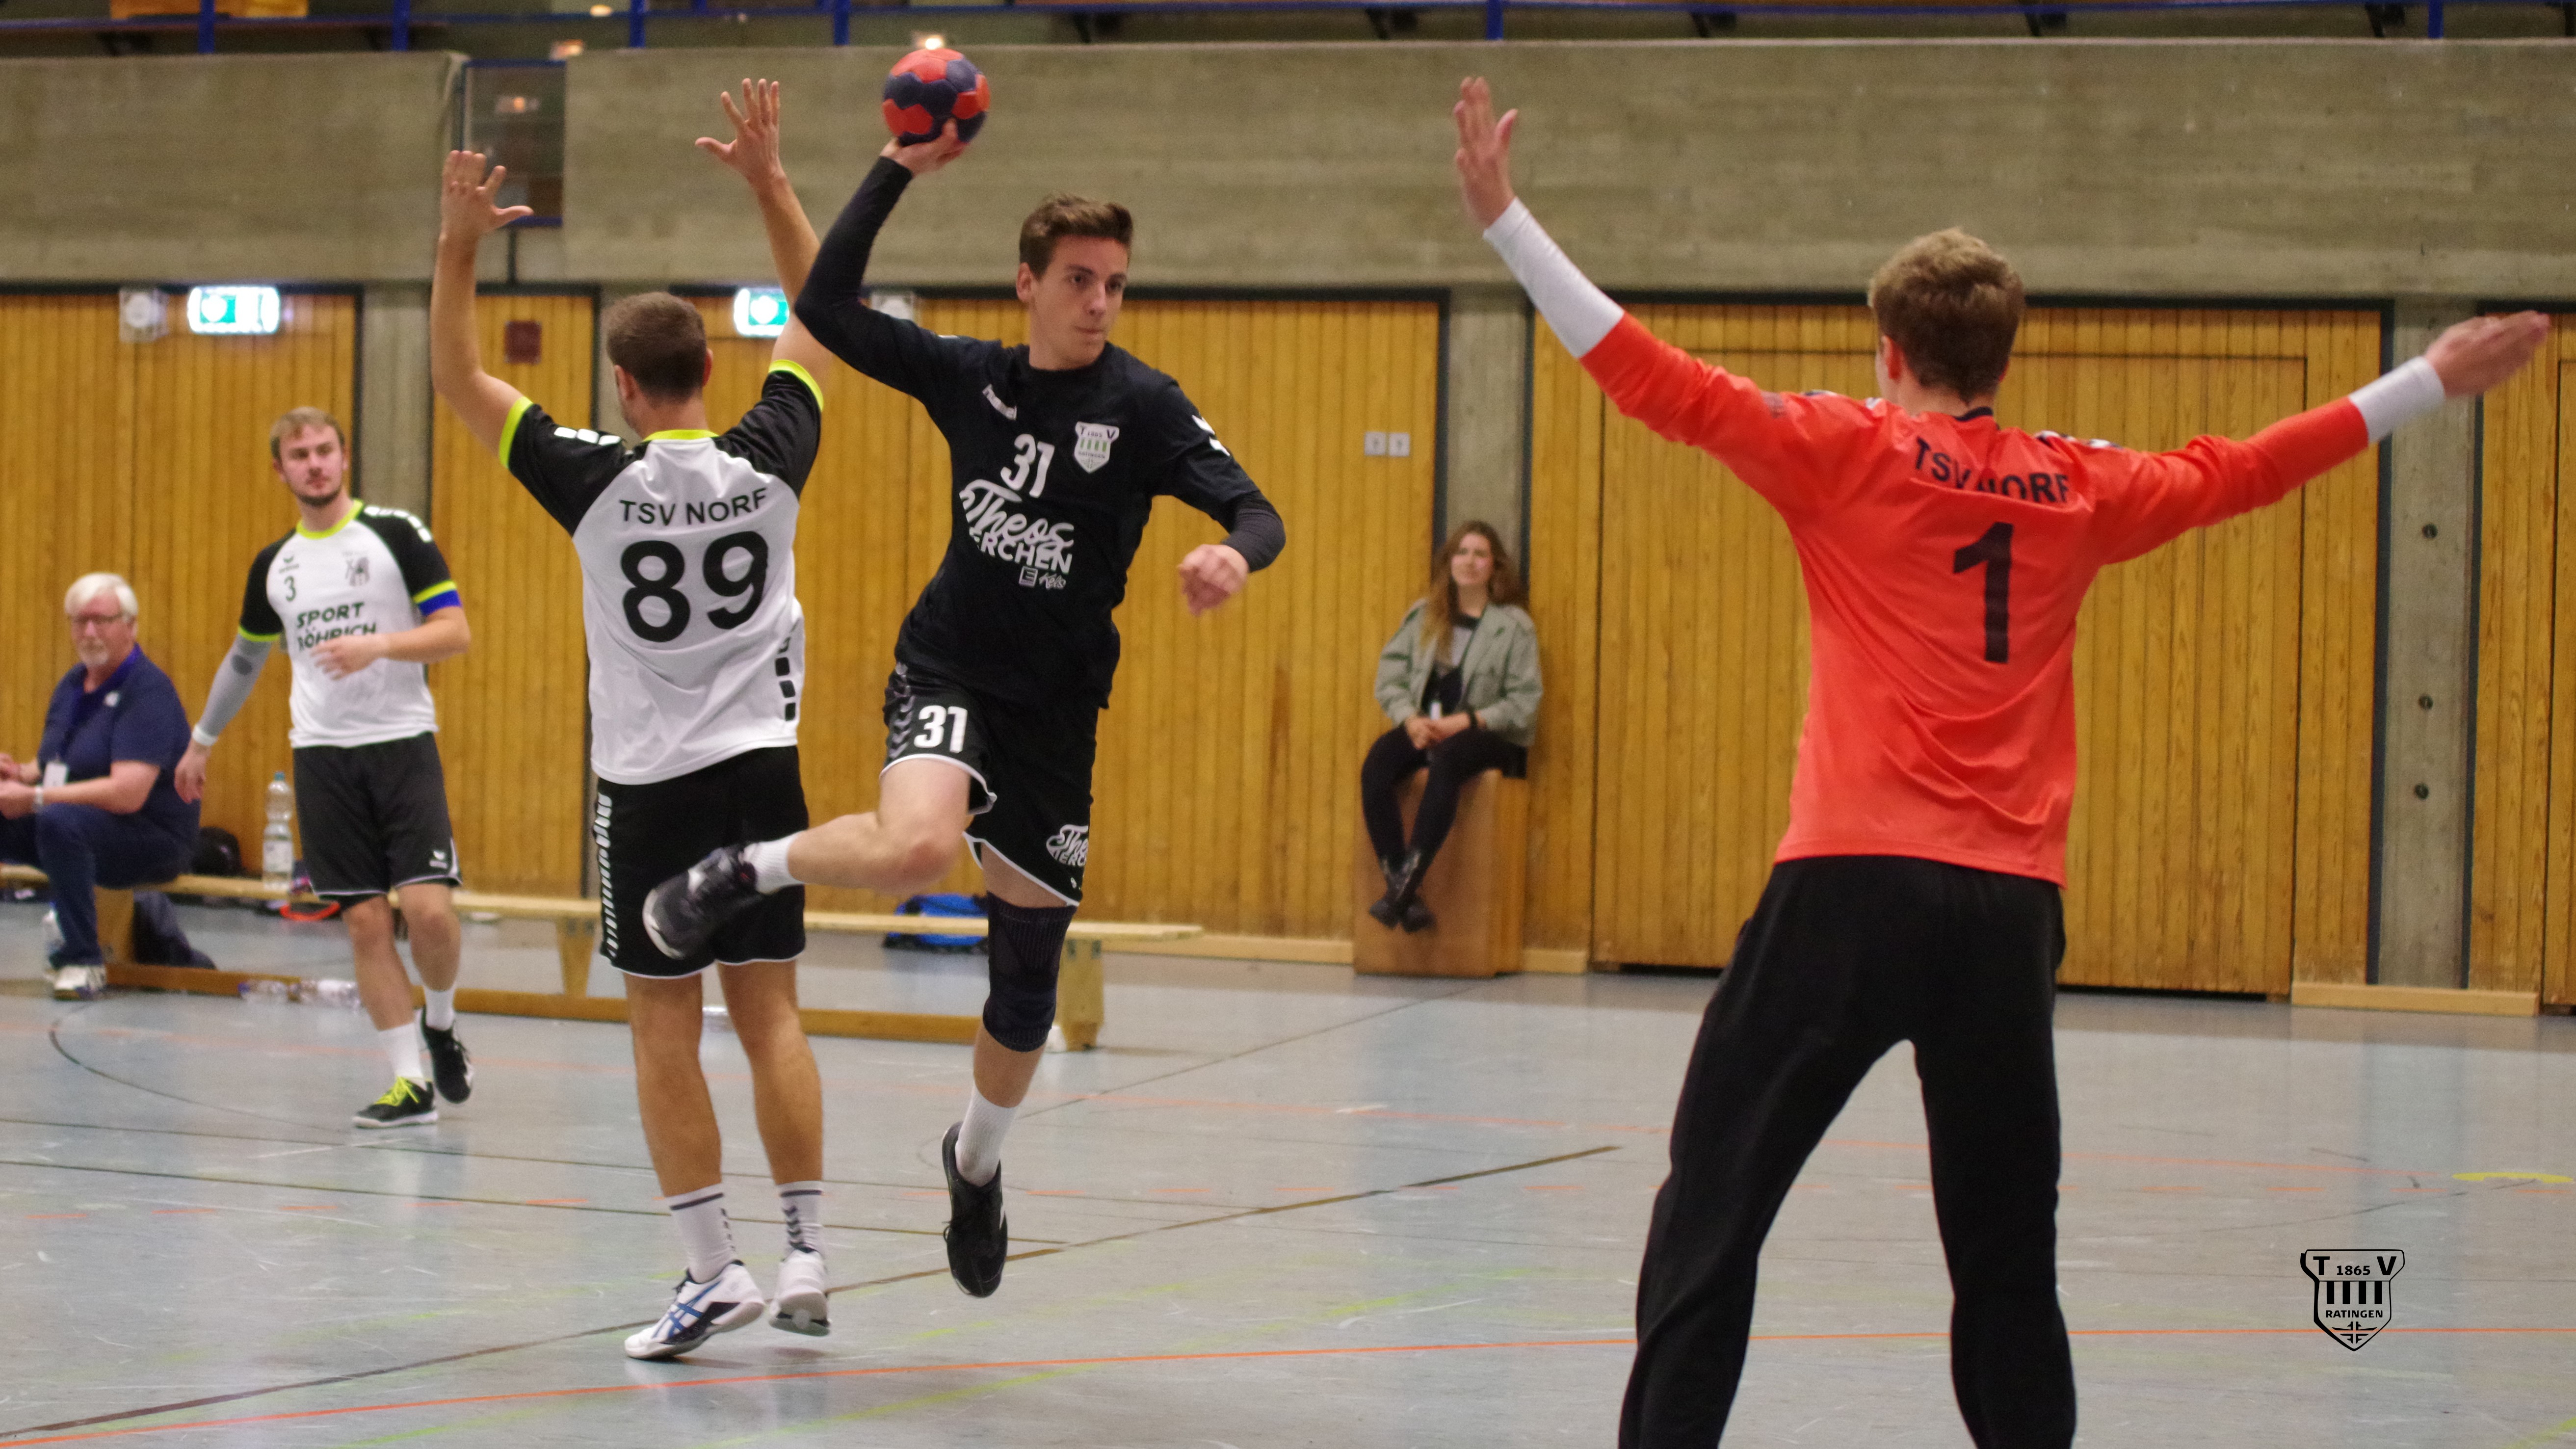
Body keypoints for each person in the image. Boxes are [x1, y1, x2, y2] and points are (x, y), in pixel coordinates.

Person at [1449, 77, 2548, 1449]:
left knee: (1713, 1207)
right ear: (2000, 361)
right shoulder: (2078, 483)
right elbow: (2249, 467)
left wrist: (1506, 222)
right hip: (2006, 912)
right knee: (2006, 1254)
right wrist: (2428, 378)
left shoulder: (1847, 449)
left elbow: (1646, 372)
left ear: (1888, 350)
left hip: (1849, 886)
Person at [642, 122, 1287, 1302]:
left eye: (1115, 283)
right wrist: (896, 168)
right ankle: (744, 867)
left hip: (1057, 716)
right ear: (1028, 283)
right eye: (1079, 280)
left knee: (1025, 989)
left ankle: (975, 1165)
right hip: (946, 669)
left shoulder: (1144, 405)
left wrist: (1233, 557)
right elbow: (827, 305)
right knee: (919, 846)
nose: (1100, 303)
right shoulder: (969, 375)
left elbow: (1258, 511)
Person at [427, 80, 838, 1360]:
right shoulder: (773, 453)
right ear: (712, 371)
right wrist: (770, 182)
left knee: (664, 1025)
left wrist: (458, 244)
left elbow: (457, 376)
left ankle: (713, 1272)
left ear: (620, 384)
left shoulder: (590, 478)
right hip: (763, 776)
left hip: (649, 788)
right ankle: (808, 1253)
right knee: (772, 1014)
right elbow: (822, 314)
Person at [174, 407, 475, 1130]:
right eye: (299, 454)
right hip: (321, 757)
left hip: (402, 745)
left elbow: (455, 632)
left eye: (324, 450)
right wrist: (201, 740)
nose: (314, 463)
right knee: (365, 922)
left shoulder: (396, 535)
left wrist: (380, 646)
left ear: (344, 456)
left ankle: (440, 1022)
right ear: (280, 470)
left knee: (429, 913)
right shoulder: (274, 567)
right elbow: (245, 658)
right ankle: (409, 1083)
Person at [0, 575, 202, 1000]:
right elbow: (53, 766)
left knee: (58, 821)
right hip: (80, 827)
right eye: (80, 621)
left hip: (152, 838)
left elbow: (128, 794)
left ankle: (83, 961)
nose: (89, 632)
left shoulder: (147, 690)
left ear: (130, 625)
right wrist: (16, 774)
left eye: (102, 620)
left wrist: (34, 797)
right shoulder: (73, 684)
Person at [1363, 520, 1541, 932]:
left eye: (1480, 554)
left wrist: (1468, 720)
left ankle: (1404, 887)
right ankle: (1403, 891)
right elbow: (1390, 680)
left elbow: (1524, 702)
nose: (1470, 561)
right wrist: (1410, 720)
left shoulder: (1515, 627)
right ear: (1449, 562)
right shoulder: (1423, 616)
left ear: (1494, 566)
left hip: (1485, 734)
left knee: (1448, 758)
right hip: (1426, 726)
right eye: (1462, 552)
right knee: (1377, 764)